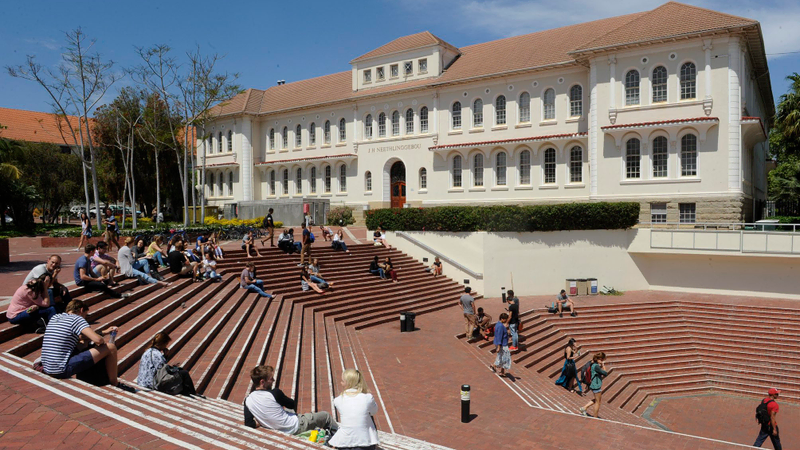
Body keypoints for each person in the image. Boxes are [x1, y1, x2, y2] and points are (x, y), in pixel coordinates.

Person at [41, 299, 134, 392]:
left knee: (82, 344)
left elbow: (82, 337)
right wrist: (101, 341)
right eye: (85, 315)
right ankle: (115, 383)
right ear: (81, 310)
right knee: (111, 347)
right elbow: (98, 340)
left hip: (47, 367)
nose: (85, 318)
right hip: (60, 370)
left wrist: (104, 332)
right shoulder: (77, 319)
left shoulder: (56, 317)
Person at [244, 365, 337, 435]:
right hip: (295, 426)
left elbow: (248, 423)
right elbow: (292, 404)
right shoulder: (274, 393)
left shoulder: (247, 400)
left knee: (288, 411)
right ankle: (340, 440)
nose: (273, 380)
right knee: (326, 416)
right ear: (262, 382)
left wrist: (261, 422)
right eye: (271, 378)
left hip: (278, 428)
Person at [329, 369, 379, 450]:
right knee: (368, 415)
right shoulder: (368, 397)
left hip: (344, 442)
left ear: (348, 383)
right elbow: (374, 411)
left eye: (342, 381)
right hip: (365, 442)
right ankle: (374, 442)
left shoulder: (337, 400)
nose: (341, 383)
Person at [580, 352, 608, 418]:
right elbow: (605, 373)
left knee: (596, 399)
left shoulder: (593, 364)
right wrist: (603, 365)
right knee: (598, 402)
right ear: (600, 359)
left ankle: (584, 408)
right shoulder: (596, 366)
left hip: (593, 384)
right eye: (602, 360)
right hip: (596, 385)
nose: (602, 361)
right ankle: (595, 417)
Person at [489, 313, 511, 377]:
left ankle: (502, 371)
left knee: (501, 357)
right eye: (505, 319)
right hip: (502, 344)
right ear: (502, 319)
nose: (506, 321)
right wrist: (499, 346)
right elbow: (499, 336)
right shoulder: (501, 326)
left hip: (500, 343)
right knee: (505, 357)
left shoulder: (497, 324)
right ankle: (495, 365)